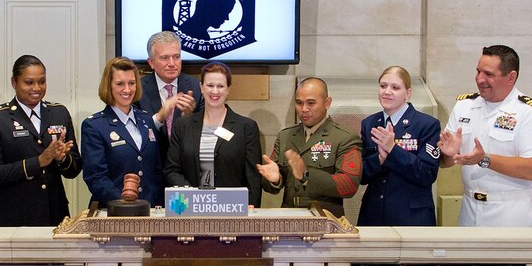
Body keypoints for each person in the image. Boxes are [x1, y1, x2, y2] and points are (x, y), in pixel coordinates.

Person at [438, 45, 532, 227]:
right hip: (469, 209)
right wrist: (449, 154)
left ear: (511, 77)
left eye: (488, 74)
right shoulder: (464, 106)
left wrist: (485, 160)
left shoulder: (529, 113)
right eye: (478, 71)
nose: (479, 79)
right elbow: (446, 163)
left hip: (511, 213)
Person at [0, 55, 81, 226]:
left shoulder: (59, 113)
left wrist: (62, 159)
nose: (37, 88)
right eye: (29, 82)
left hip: (54, 214)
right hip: (13, 215)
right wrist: (38, 162)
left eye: (42, 82)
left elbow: (74, 169)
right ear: (14, 82)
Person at [258, 77, 362, 218]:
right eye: (299, 103)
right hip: (288, 218)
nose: (304, 109)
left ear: (327, 103)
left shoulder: (344, 138)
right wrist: (275, 179)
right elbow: (272, 186)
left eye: (311, 103)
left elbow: (349, 185)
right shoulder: (285, 136)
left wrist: (307, 176)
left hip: (326, 221)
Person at [164, 62, 262, 207]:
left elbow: (253, 177)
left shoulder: (246, 127)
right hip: (190, 207)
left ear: (228, 89)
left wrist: (251, 208)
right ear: (201, 87)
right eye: (210, 85)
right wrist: (194, 195)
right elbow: (172, 170)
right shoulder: (182, 125)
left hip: (232, 209)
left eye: (220, 86)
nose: (215, 91)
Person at [358, 66, 441, 226]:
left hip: (412, 216)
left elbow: (427, 174)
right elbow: (361, 176)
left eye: (395, 87)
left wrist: (393, 150)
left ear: (407, 93)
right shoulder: (369, 124)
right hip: (374, 214)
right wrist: (380, 159)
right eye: (383, 86)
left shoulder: (426, 124)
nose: (387, 91)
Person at [81, 56, 164, 208]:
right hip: (113, 212)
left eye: (132, 83)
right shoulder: (94, 126)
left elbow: (156, 171)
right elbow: (96, 178)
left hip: (150, 211)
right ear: (109, 86)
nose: (127, 90)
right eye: (120, 84)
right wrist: (125, 204)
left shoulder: (146, 119)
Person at [135, 31, 204, 158]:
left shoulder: (196, 87)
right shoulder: (137, 89)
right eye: (164, 58)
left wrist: (188, 120)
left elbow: (205, 133)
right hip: (152, 163)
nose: (172, 63)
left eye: (176, 57)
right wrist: (160, 116)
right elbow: (134, 134)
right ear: (151, 62)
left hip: (186, 165)